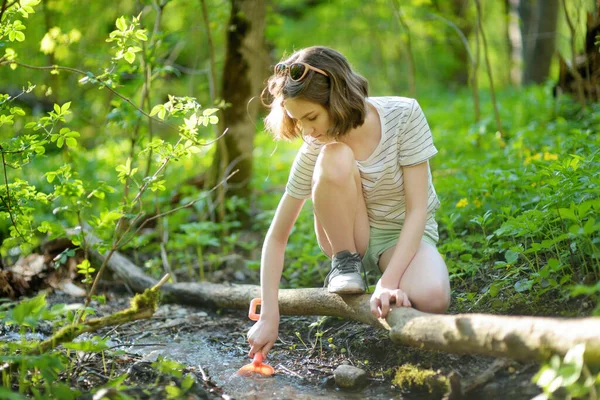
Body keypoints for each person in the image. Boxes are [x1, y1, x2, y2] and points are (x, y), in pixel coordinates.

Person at [247, 46, 451, 359]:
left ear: (338, 97)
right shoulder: (317, 144)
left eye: (311, 117)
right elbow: (276, 237)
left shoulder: (404, 115)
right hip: (348, 237)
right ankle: (346, 265)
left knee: (434, 298)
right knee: (335, 154)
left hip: (401, 235)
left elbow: (417, 210)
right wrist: (269, 315)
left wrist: (389, 281)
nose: (308, 131)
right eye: (297, 120)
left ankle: (386, 276)